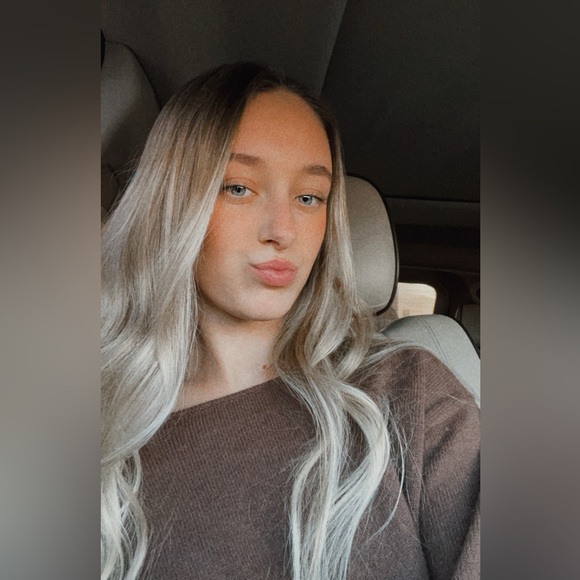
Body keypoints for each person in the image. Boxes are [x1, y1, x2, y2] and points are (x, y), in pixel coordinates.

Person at [101, 62, 480, 580]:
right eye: (239, 187)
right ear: (171, 202)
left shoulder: (406, 393)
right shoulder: (100, 430)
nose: (283, 230)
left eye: (308, 198)